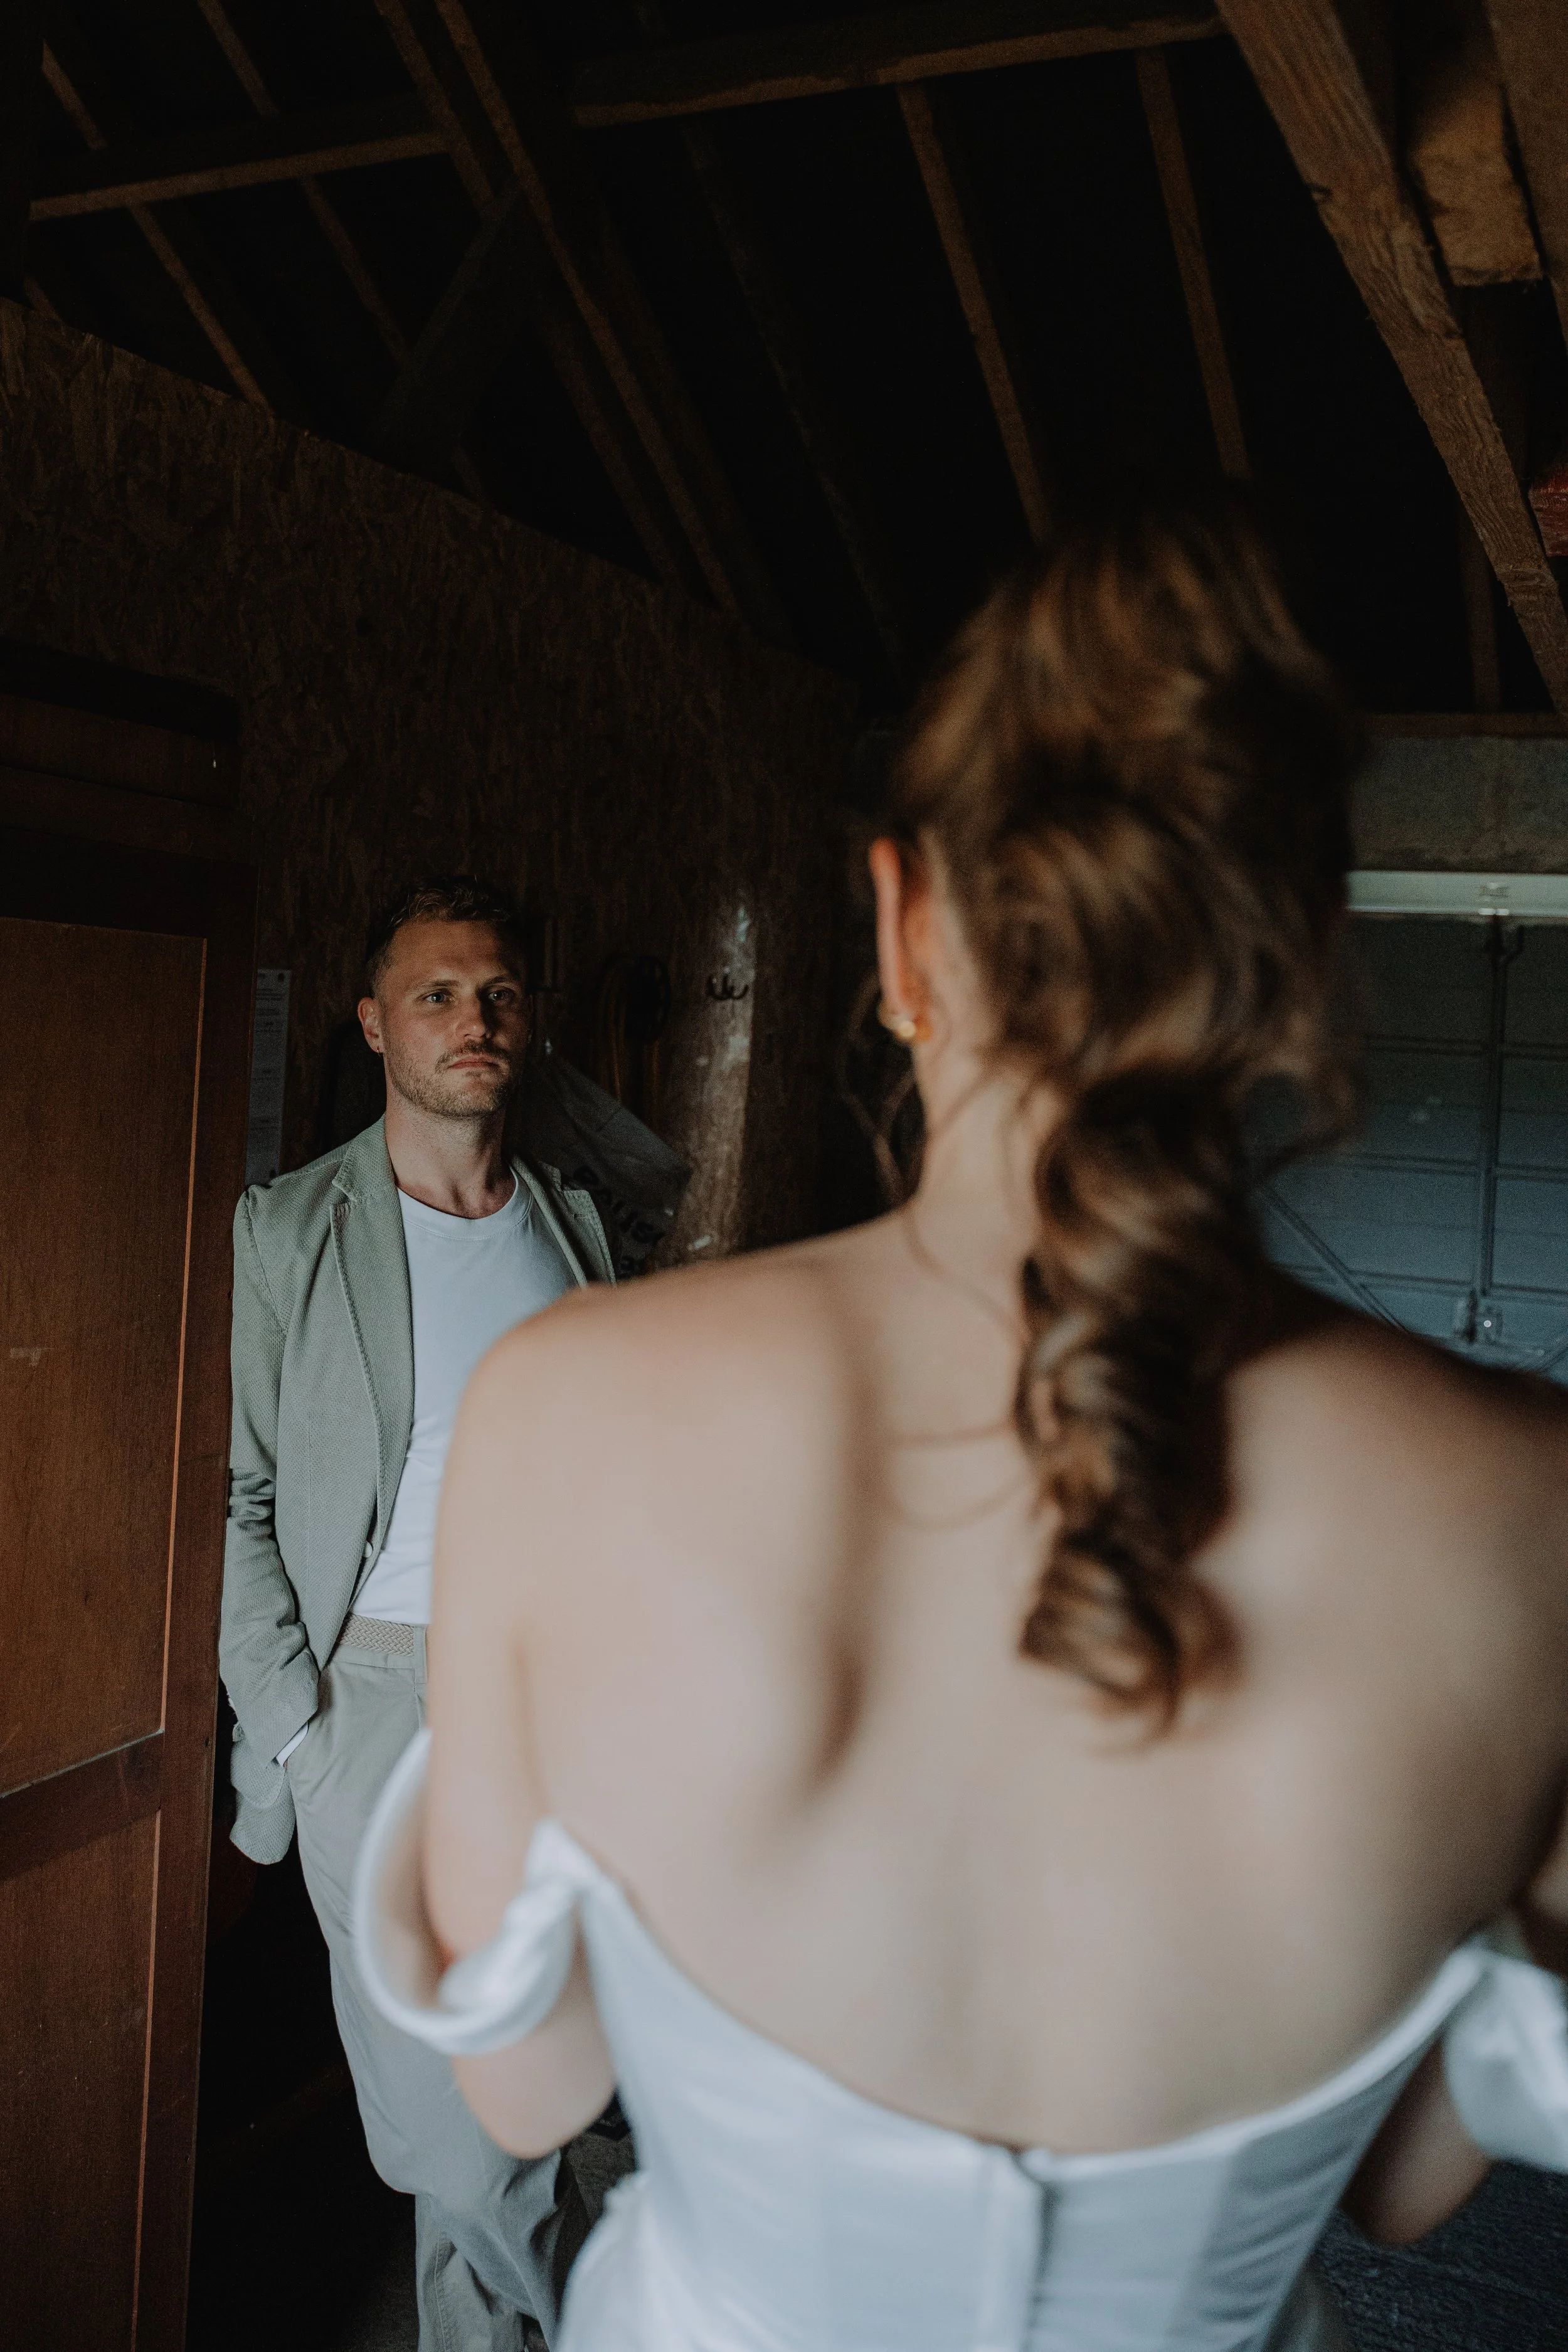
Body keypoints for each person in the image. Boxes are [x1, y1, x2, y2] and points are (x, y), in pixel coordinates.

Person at [356, 504, 1568, 2350]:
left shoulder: (573, 1414)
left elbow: (523, 2092)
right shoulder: (1531, 1509)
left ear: (904, 926)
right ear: (1300, 965)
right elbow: (1399, 2178)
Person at [221, 876, 615, 2350]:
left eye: (499, 993)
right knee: (459, 2124)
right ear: (376, 1023)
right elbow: (232, 1495)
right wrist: (301, 1732)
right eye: (439, 995)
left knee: (528, 2074)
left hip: (552, 1703)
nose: (474, 1019)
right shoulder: (287, 1231)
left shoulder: (570, 1228)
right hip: (373, 1709)